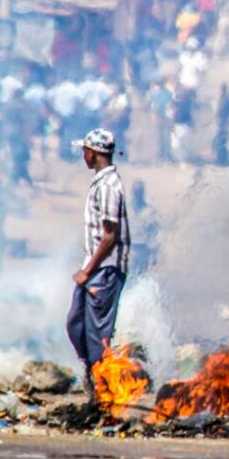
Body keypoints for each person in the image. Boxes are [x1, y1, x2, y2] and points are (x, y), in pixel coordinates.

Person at [66, 128, 131, 399]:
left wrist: (87, 270)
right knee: (76, 324)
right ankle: (94, 376)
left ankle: (104, 394)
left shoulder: (108, 187)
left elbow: (110, 237)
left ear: (92, 154)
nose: (83, 155)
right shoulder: (101, 184)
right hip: (96, 269)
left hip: (104, 271)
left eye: (85, 151)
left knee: (97, 336)